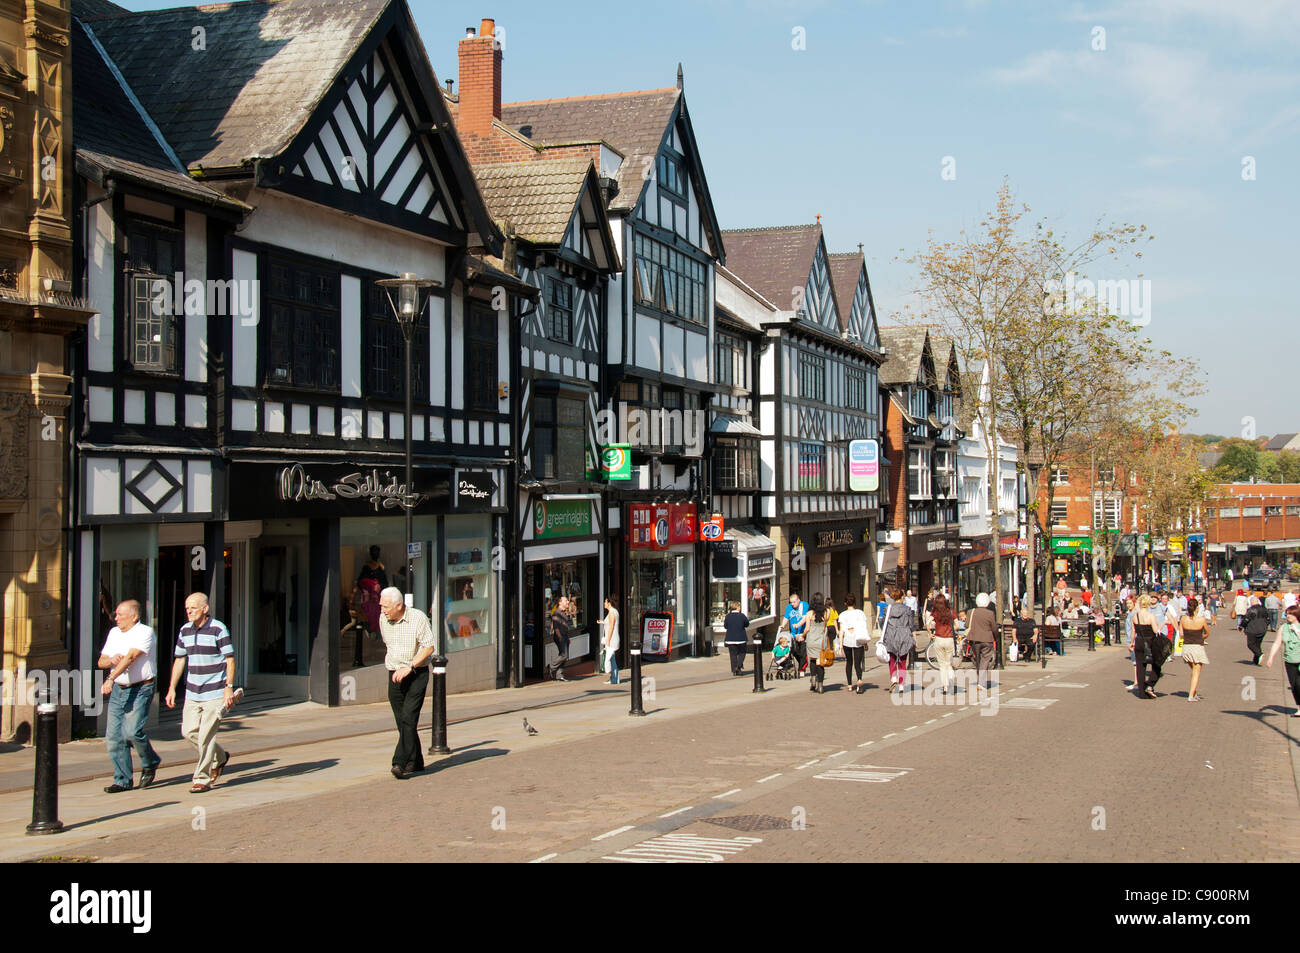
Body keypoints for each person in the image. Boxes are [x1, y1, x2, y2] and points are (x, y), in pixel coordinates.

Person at [165, 592, 237, 793]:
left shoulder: (218, 629)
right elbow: (180, 659)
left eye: (193, 608)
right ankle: (220, 757)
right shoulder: (184, 630)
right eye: (187, 608)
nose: (189, 611)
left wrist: (228, 687)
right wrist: (171, 688)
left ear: (205, 609)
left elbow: (229, 659)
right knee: (188, 732)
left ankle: (202, 778)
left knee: (206, 735)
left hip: (214, 691)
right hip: (192, 691)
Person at [98, 600, 161, 793]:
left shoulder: (145, 632)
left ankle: (150, 761)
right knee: (113, 737)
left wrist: (110, 677)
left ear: (134, 616)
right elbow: (101, 661)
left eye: (120, 615)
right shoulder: (114, 633)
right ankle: (122, 780)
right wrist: (111, 659)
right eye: (115, 614)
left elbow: (131, 657)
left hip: (141, 688)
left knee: (131, 732)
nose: (115, 618)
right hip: (119, 689)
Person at [375, 587, 434, 779]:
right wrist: (396, 667)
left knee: (409, 718)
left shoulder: (418, 618)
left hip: (415, 672)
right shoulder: (383, 619)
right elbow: (388, 644)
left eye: (386, 606)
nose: (382, 610)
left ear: (399, 605)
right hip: (394, 674)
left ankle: (399, 762)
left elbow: (429, 647)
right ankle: (416, 761)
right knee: (402, 722)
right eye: (381, 606)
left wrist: (409, 666)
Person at [1265, 604, 1300, 716]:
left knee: (1299, 684)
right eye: (1287, 613)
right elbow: (1277, 643)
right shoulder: (1284, 627)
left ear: (1296, 615)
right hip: (1289, 660)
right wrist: (1271, 657)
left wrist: (1297, 631)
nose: (1288, 616)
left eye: (1290, 614)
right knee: (1294, 685)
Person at [880, 587, 916, 694]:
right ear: (902, 598)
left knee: (892, 659)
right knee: (902, 661)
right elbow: (911, 625)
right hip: (904, 635)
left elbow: (883, 624)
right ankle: (901, 685)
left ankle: (893, 678)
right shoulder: (907, 610)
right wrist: (914, 638)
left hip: (891, 635)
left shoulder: (888, 609)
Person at [1131, 593, 1164, 698]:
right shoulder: (1151, 616)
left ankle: (1141, 692)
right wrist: (1162, 626)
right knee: (1156, 665)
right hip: (1150, 642)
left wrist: (1131, 643)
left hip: (1139, 641)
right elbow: (1155, 630)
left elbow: (1133, 631)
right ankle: (1149, 684)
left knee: (1140, 667)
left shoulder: (1135, 616)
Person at [1179, 597, 1210, 702]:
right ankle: (1191, 695)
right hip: (1197, 647)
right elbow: (1207, 633)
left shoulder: (1183, 619)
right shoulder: (1201, 620)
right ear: (1197, 608)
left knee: (1194, 670)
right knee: (1196, 671)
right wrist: (1201, 637)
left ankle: (1194, 692)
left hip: (1186, 646)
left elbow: (1181, 634)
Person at [967, 592, 997, 695]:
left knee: (978, 659)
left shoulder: (971, 612)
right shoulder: (990, 613)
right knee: (985, 660)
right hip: (987, 639)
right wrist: (995, 637)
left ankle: (979, 677)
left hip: (974, 639)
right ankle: (981, 682)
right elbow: (993, 627)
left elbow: (967, 624)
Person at [837, 595, 869, 694]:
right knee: (857, 663)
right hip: (858, 639)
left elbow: (841, 631)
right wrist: (866, 643)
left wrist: (841, 645)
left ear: (845, 603)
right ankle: (859, 679)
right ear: (855, 603)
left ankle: (850, 685)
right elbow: (864, 628)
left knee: (849, 662)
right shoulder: (860, 613)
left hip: (847, 639)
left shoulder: (842, 614)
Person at [355, 545, 388, 635]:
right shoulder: (367, 567)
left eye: (377, 552)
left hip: (379, 596)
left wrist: (380, 586)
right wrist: (372, 585)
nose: (376, 554)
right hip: (370, 597)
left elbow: (384, 582)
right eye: (374, 552)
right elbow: (361, 581)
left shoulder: (381, 567)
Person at [928, 593, 957, 695]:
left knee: (941, 664)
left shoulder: (935, 613)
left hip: (939, 639)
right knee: (948, 662)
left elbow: (928, 623)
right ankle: (951, 677)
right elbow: (957, 625)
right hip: (949, 639)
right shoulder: (950, 612)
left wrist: (930, 633)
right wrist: (952, 629)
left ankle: (945, 686)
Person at [804, 595, 832, 693]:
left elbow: (807, 628)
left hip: (811, 640)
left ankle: (813, 678)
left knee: (812, 660)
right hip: (821, 641)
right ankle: (820, 685)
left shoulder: (809, 613)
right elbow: (826, 623)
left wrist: (802, 635)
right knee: (820, 662)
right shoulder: (827, 612)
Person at [782, 593, 809, 676]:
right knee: (794, 650)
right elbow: (786, 617)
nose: (792, 604)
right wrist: (783, 625)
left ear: (798, 600)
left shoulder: (804, 605)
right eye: (791, 602)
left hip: (802, 633)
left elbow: (805, 618)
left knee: (802, 651)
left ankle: (802, 669)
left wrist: (798, 625)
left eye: (794, 602)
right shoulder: (789, 607)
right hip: (793, 633)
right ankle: (801, 663)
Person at [548, 595, 573, 681]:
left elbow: (565, 626)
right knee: (564, 655)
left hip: (565, 636)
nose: (567, 602)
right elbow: (555, 627)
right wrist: (560, 637)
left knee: (565, 656)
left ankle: (560, 675)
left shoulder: (563, 612)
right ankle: (551, 666)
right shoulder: (556, 613)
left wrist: (567, 638)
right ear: (560, 602)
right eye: (565, 601)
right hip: (560, 637)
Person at [722, 600, 749, 677]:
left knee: (733, 654)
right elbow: (747, 624)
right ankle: (739, 666)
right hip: (741, 638)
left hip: (730, 638)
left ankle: (734, 669)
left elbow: (725, 626)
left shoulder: (728, 616)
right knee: (742, 653)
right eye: (739, 606)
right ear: (737, 607)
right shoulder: (742, 616)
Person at [1242, 596, 1269, 666]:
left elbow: (1246, 619)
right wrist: (1265, 625)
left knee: (1250, 644)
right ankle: (1256, 661)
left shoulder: (1251, 609)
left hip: (1252, 629)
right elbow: (1268, 619)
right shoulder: (1264, 609)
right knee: (1257, 644)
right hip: (1263, 629)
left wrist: (1242, 626)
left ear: (1251, 602)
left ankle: (1260, 654)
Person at [601, 596, 621, 684]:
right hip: (613, 638)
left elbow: (611, 627)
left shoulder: (612, 612)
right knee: (611, 658)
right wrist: (603, 622)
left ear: (609, 603)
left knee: (611, 658)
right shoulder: (613, 612)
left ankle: (615, 678)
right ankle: (613, 677)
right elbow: (610, 624)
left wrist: (608, 640)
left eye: (605, 602)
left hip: (612, 639)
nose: (604, 604)